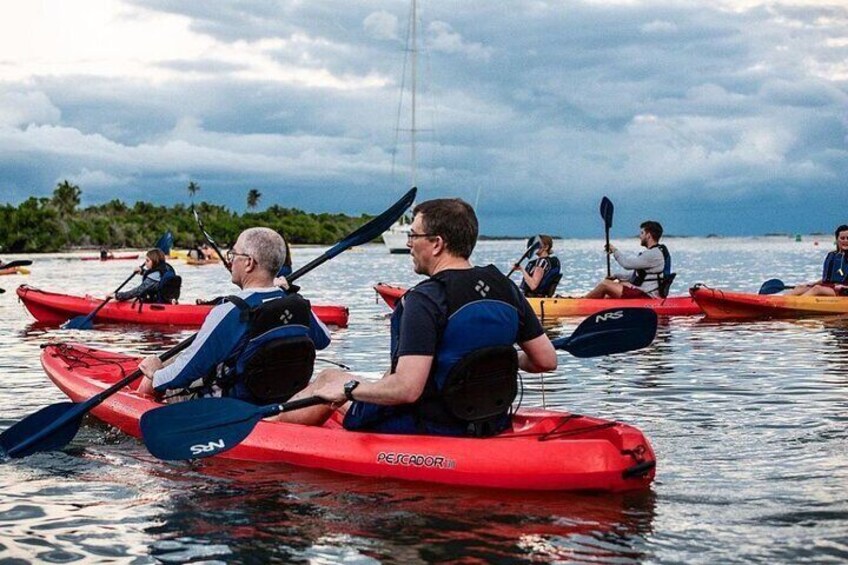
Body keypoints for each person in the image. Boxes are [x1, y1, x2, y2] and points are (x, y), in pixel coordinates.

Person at [269, 198, 558, 437]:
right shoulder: (505, 287)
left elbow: (407, 390)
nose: (409, 244)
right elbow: (545, 360)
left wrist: (348, 389)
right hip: (489, 420)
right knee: (345, 379)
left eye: (413, 235)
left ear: (436, 243)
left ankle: (265, 433)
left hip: (427, 425)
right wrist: (479, 361)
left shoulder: (424, 298)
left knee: (330, 379)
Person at [137, 228, 331, 402]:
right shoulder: (298, 305)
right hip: (278, 397)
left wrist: (156, 374)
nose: (231, 260)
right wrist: (288, 294)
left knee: (163, 365)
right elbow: (323, 340)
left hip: (230, 406)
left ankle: (140, 407)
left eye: (234, 254)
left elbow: (189, 370)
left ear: (249, 263)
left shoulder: (230, 311)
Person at [584, 220, 671, 299]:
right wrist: (616, 276)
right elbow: (638, 275)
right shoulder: (657, 251)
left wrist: (614, 250)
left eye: (642, 233)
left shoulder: (653, 254)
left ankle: (583, 302)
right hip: (646, 293)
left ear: (648, 236)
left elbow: (626, 264)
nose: (639, 236)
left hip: (647, 296)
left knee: (605, 285)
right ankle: (594, 302)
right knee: (619, 284)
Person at [787, 224, 848, 296]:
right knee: (800, 288)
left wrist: (844, 287)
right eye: (842, 238)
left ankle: (795, 304)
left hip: (843, 290)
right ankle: (780, 301)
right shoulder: (832, 255)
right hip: (830, 287)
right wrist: (813, 283)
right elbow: (827, 279)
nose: (846, 241)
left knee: (817, 289)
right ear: (837, 240)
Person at [108, 248, 181, 304]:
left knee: (115, 300)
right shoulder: (166, 267)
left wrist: (117, 295)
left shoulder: (154, 276)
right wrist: (142, 272)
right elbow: (157, 278)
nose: (145, 263)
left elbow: (138, 291)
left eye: (147, 260)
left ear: (155, 261)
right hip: (166, 299)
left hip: (154, 302)